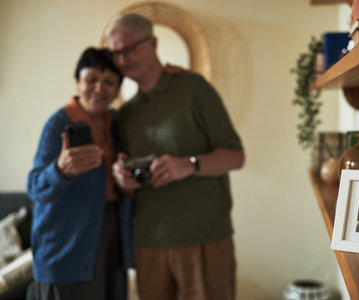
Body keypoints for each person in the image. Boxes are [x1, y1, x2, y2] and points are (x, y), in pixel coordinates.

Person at [105, 13, 245, 300]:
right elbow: (133, 186)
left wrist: (189, 164)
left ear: (153, 43)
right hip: (148, 242)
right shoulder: (126, 113)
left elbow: (236, 156)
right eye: (116, 53)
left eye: (129, 49)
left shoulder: (194, 88)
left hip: (204, 236)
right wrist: (122, 180)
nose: (122, 60)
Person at [27, 47, 133, 300]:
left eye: (109, 82)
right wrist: (60, 170)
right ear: (77, 82)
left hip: (112, 239)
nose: (99, 88)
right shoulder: (59, 124)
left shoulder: (118, 124)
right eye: (91, 79)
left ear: (118, 90)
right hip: (66, 243)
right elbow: (35, 187)